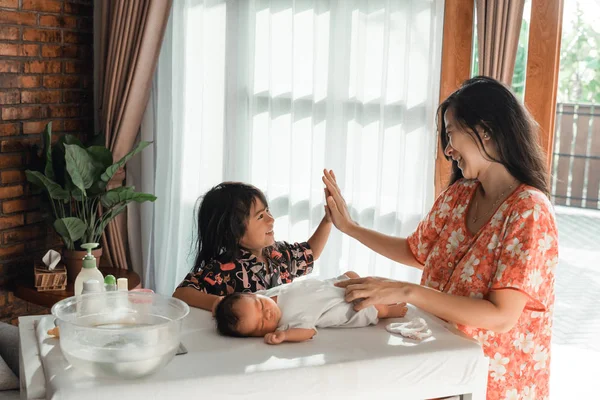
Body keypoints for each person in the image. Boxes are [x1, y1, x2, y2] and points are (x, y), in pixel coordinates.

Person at [322, 77, 558, 400]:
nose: (448, 150)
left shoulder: (529, 211)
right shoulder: (460, 195)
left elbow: (501, 316)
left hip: (492, 387)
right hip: (441, 370)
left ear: (485, 129)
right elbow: (414, 249)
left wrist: (407, 291)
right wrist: (349, 227)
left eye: (451, 134)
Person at [173, 182, 332, 312]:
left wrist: (328, 220)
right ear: (234, 232)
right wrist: (220, 304)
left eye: (267, 211)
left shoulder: (279, 254)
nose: (271, 220)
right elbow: (182, 293)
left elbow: (310, 253)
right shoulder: (223, 269)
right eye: (260, 216)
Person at [213, 271, 408, 344]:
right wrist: (285, 336)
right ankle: (390, 311)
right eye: (261, 323)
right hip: (344, 307)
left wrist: (218, 305)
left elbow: (239, 302)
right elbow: (308, 332)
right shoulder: (286, 324)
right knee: (374, 308)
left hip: (332, 286)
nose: (268, 313)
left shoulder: (265, 295)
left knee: (352, 275)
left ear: (254, 295)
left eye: (260, 306)